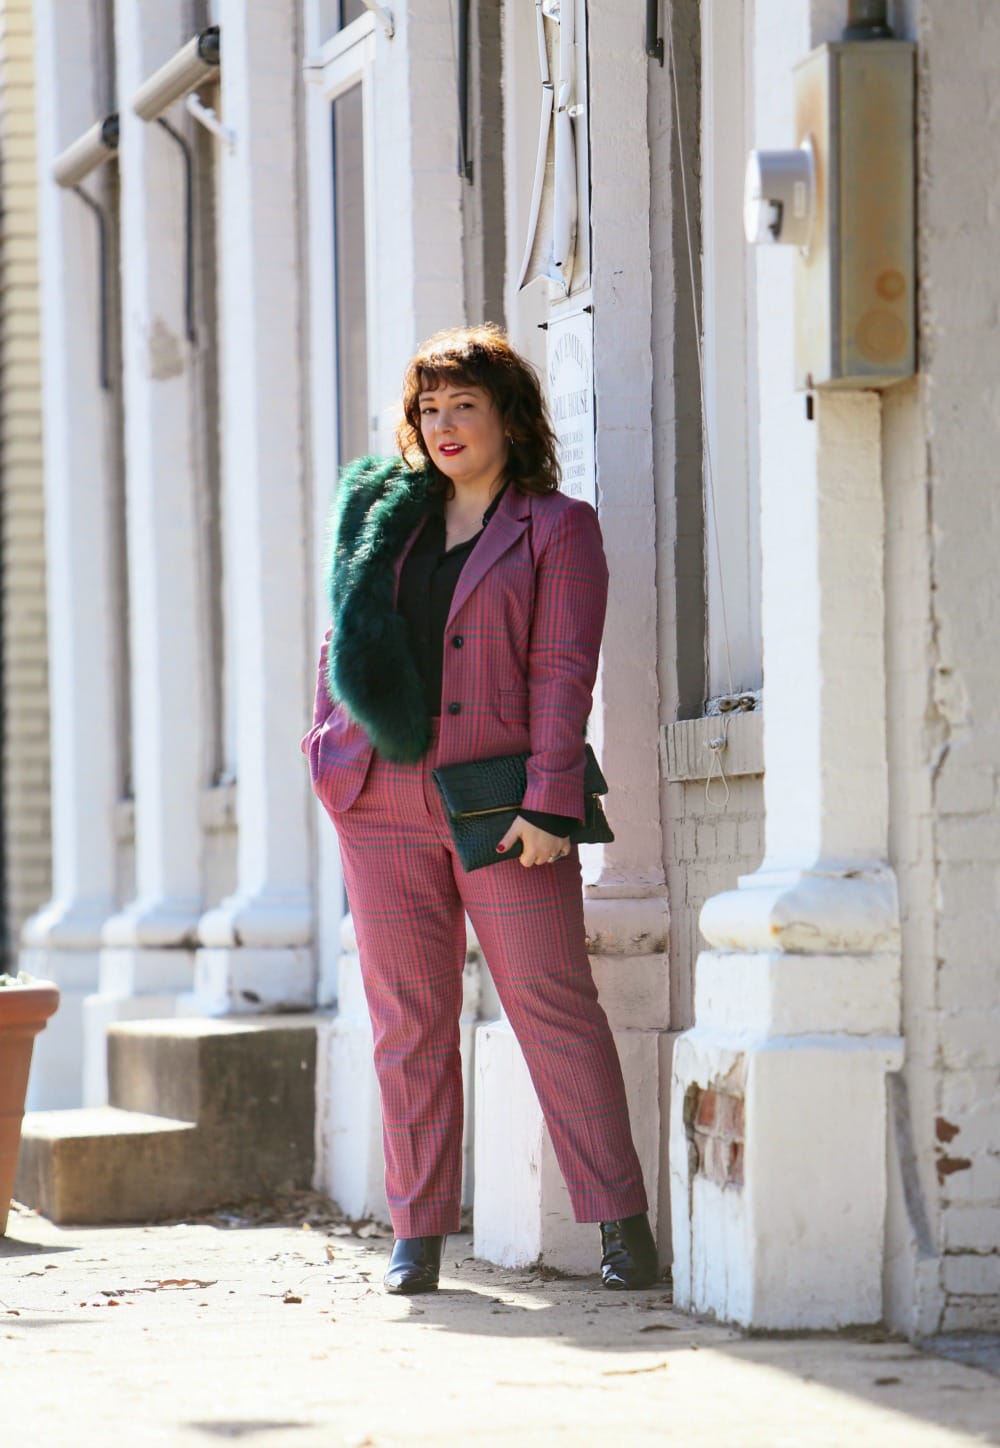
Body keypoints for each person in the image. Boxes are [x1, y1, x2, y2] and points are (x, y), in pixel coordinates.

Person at [302, 324, 657, 1295]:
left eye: (463, 403)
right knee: (405, 1019)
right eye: (429, 406)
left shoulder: (555, 526)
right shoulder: (392, 518)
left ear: (507, 413)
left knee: (552, 1002)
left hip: (502, 809)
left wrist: (551, 799)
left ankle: (622, 1222)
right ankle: (415, 1232)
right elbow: (345, 632)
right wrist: (331, 745)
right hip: (380, 799)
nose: (444, 423)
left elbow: (561, 670)